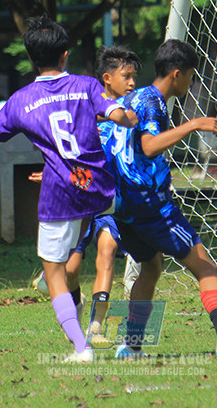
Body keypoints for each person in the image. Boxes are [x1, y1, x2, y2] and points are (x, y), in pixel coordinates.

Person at [0, 17, 137, 362]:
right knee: (78, 257)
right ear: (65, 55)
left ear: (31, 57)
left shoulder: (18, 102)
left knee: (51, 273)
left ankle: (80, 346)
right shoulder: (87, 86)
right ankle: (100, 298)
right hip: (99, 189)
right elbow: (115, 111)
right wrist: (127, 117)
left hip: (59, 195)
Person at [111, 39, 217, 360]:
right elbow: (149, 146)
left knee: (151, 267)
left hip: (124, 205)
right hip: (150, 206)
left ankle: (131, 345)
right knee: (205, 265)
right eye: (191, 76)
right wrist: (194, 124)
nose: (192, 82)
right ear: (176, 74)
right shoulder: (151, 101)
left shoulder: (132, 98)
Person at [63, 46, 141, 338]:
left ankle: (96, 325)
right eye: (126, 77)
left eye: (134, 77)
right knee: (70, 268)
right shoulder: (86, 111)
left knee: (106, 252)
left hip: (112, 201)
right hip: (82, 200)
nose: (132, 83)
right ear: (107, 79)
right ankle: (77, 302)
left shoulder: (133, 114)